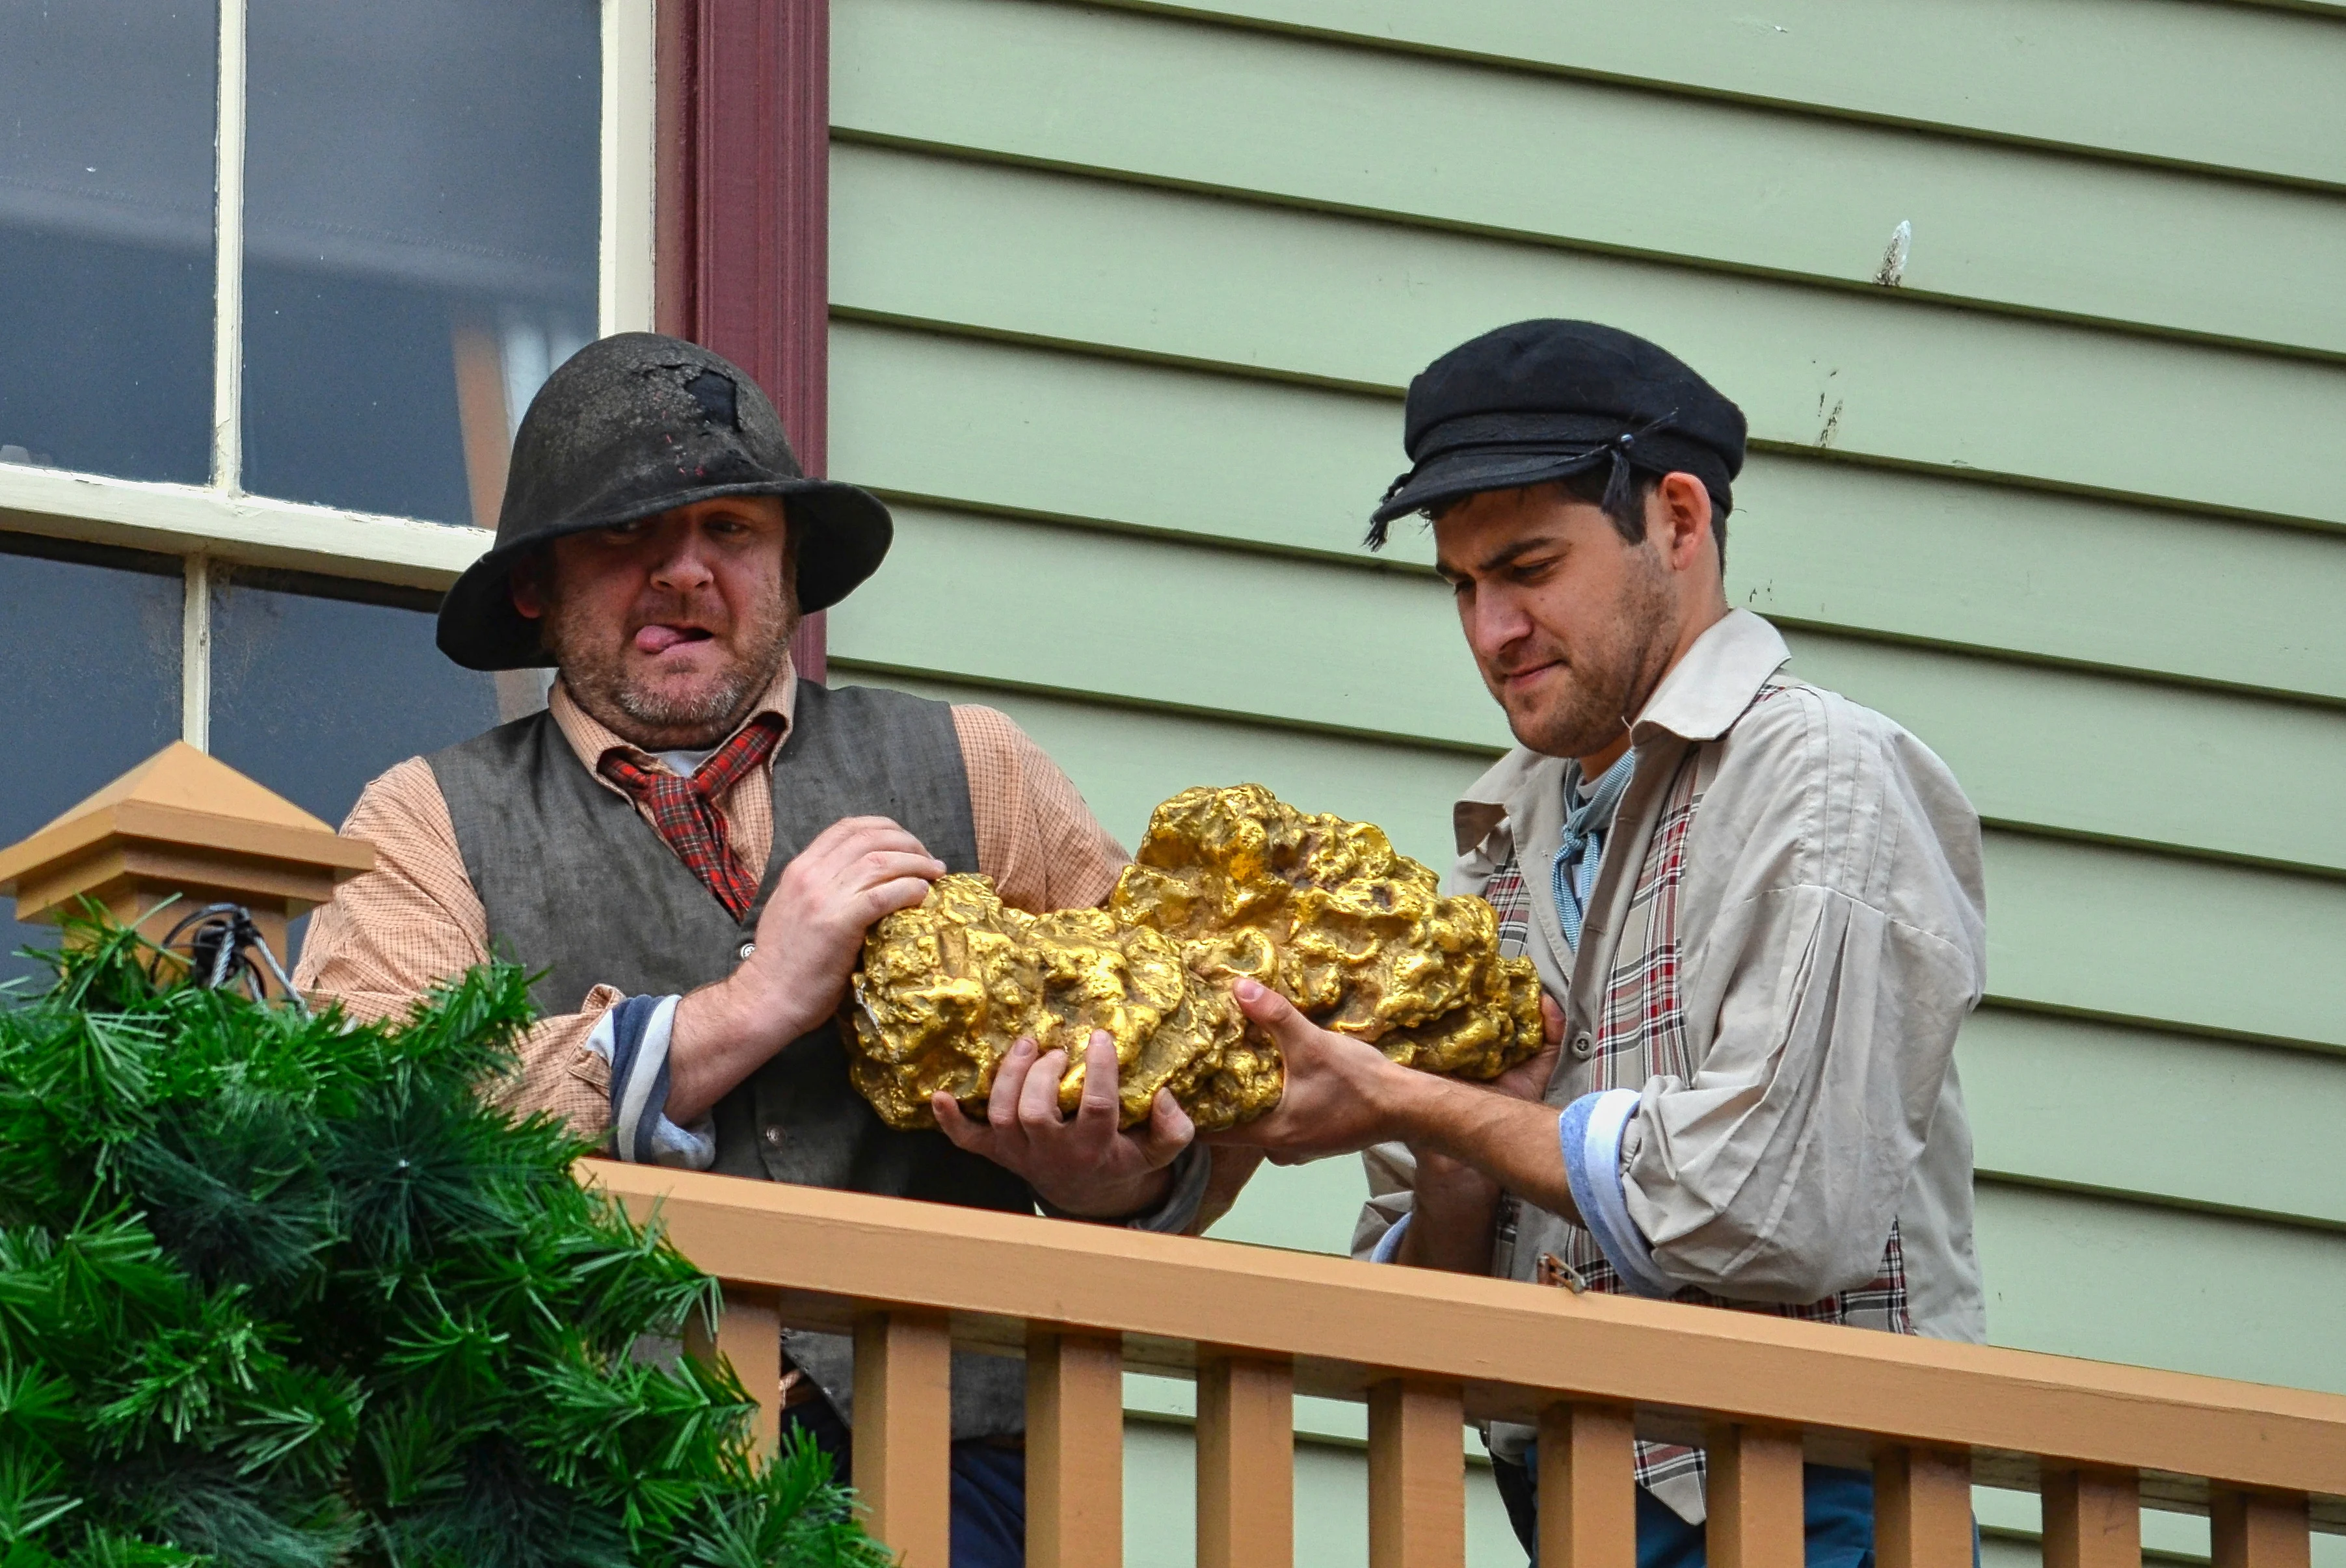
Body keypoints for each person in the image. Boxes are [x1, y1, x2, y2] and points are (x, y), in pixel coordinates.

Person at [295, 332, 1223, 1567]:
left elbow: (1195, 1056)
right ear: (535, 585)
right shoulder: (422, 818)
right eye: (629, 537)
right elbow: (370, 1111)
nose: (686, 574)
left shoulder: (976, 767)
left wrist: (1110, 1171)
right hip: (577, 1485)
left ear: (788, 568)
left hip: (960, 1487)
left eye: (730, 530)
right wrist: (739, 1011)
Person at [1207, 320, 1988, 1567]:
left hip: (1814, 1506)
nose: (1489, 629)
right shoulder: (1496, 834)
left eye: (1527, 566)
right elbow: (1423, 1321)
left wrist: (1403, 1095)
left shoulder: (1825, 777)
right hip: (1559, 1514)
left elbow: (1777, 1206)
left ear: (1677, 520)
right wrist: (1457, 1154)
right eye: (1463, 585)